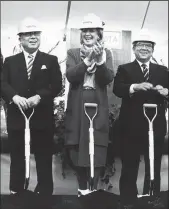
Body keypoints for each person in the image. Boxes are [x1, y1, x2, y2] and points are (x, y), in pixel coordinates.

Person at [1, 17, 62, 201]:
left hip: (42, 118)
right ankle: (16, 193)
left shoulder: (50, 60)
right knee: (18, 157)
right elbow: (2, 83)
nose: (32, 37)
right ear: (20, 38)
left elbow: (57, 84)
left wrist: (40, 96)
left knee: (44, 157)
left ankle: (44, 196)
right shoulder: (10, 61)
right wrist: (14, 97)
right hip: (17, 119)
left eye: (35, 33)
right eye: (28, 34)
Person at [113, 29, 168, 209]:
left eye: (148, 46)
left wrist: (166, 92)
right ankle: (128, 199)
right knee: (130, 163)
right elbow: (118, 89)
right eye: (141, 45)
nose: (145, 49)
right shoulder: (125, 69)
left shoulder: (163, 70)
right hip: (131, 125)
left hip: (156, 124)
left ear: (153, 49)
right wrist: (135, 86)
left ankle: (152, 196)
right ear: (134, 48)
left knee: (154, 161)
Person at [65, 13, 114, 196]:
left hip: (98, 105)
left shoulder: (106, 53)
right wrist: (87, 60)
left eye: (91, 30)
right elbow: (71, 76)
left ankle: (94, 191)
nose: (88, 34)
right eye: (85, 30)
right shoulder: (73, 53)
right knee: (77, 146)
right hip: (78, 105)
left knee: (98, 145)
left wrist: (99, 59)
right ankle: (82, 189)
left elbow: (107, 78)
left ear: (99, 33)